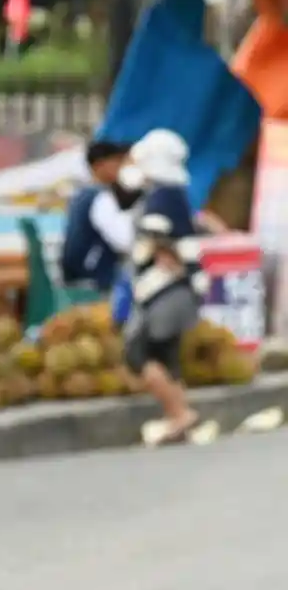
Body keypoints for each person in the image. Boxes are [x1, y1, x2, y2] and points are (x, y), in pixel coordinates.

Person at [116, 129, 207, 444]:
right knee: (167, 356)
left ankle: (179, 414)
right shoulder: (174, 193)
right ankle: (181, 417)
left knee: (139, 355)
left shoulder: (161, 197)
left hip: (164, 291)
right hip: (179, 291)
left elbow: (158, 234)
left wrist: (161, 250)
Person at [60, 140, 139, 292]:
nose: (121, 168)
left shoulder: (84, 193)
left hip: (79, 272)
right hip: (93, 278)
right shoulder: (100, 197)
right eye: (117, 163)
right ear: (99, 165)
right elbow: (124, 241)